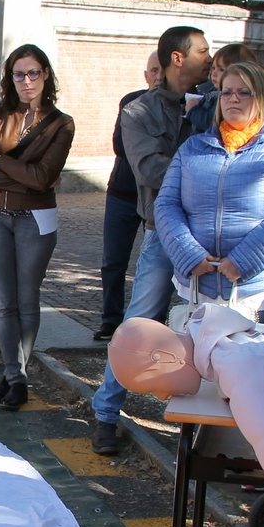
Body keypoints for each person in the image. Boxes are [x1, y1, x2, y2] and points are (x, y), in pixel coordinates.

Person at [91, 26, 212, 453]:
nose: (209, 57)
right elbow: (152, 172)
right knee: (139, 324)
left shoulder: (218, 103)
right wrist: (213, 173)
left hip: (217, 235)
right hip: (165, 234)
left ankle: (208, 425)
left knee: (216, 329)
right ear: (177, 59)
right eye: (202, 50)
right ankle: (106, 412)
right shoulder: (139, 113)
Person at [108, 310, 264, 526]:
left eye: (151, 388)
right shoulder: (215, 340)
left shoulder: (235, 360)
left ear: (162, 357)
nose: (161, 396)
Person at [155, 60, 264, 324]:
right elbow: (166, 205)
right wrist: (189, 254)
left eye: (244, 92)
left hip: (258, 291)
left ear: (262, 97)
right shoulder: (193, 147)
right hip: (198, 287)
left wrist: (243, 261)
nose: (233, 99)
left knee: (250, 364)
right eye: (227, 92)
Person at [0, 44, 77, 411]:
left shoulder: (61, 124)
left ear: (45, 74)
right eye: (19, 74)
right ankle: (15, 377)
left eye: (34, 73)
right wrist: (23, 176)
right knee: (4, 302)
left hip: (36, 219)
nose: (27, 80)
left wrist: (2, 161)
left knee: (26, 299)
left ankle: (13, 374)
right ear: (10, 78)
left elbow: (43, 177)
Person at [96, 50, 163, 342]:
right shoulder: (131, 102)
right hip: (123, 192)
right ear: (146, 75)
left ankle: (151, 323)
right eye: (153, 71)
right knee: (114, 261)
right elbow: (121, 145)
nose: (158, 77)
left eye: (162, 70)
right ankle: (111, 320)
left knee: (153, 261)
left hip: (158, 196)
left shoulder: (184, 106)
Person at [187, 43, 262, 134]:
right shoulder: (213, 91)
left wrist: (193, 109)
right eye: (213, 68)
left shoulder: (226, 98)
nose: (214, 74)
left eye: (221, 70)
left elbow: (210, 123)